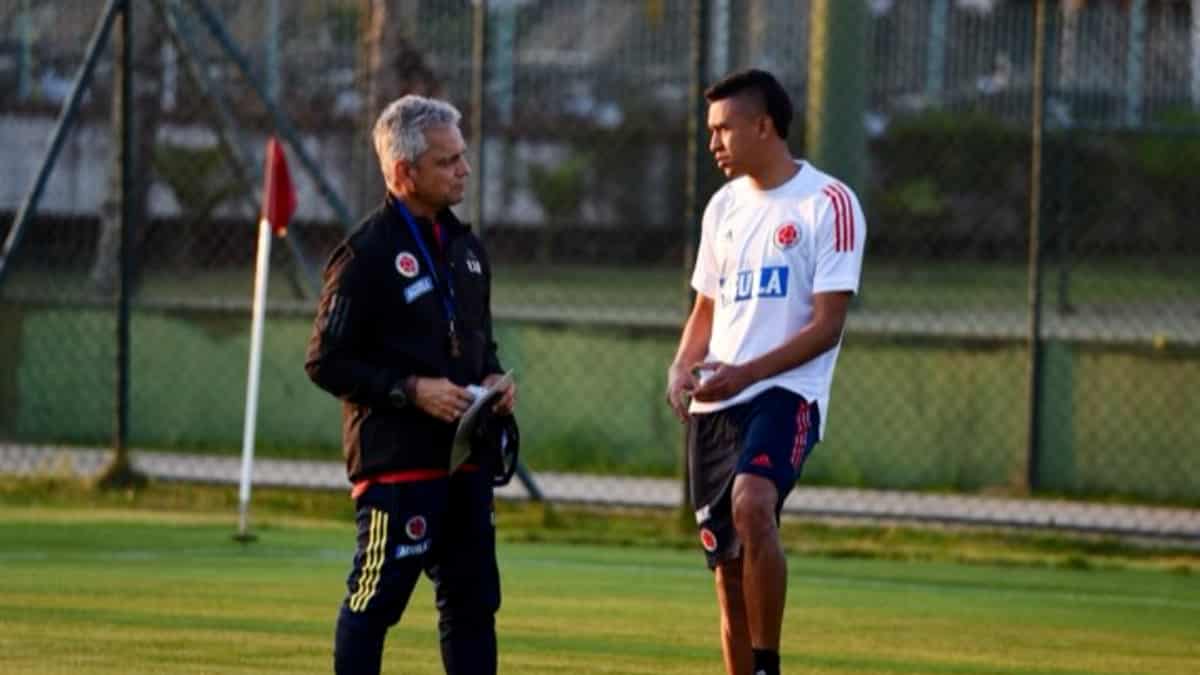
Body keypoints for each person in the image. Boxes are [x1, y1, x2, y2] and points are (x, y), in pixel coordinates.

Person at [306, 94, 516, 675]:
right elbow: (325, 361)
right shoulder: (365, 255)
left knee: (473, 606)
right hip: (398, 464)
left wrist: (493, 379)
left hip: (465, 462)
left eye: (462, 156)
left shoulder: (468, 250)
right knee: (374, 603)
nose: (464, 170)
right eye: (448, 161)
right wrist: (410, 389)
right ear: (404, 172)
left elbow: (479, 344)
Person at [666, 69, 866, 675]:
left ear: (764, 125)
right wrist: (681, 366)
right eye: (710, 131)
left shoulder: (828, 203)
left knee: (755, 503)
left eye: (724, 129)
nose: (713, 143)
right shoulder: (723, 208)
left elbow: (827, 326)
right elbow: (706, 306)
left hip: (785, 392)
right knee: (727, 571)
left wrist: (745, 374)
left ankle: (768, 664)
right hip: (715, 404)